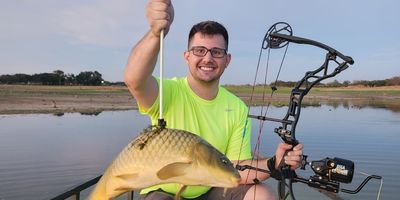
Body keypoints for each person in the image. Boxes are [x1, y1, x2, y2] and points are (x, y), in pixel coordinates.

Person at [124, 0, 304, 199]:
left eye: (217, 52)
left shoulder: (237, 108)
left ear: (227, 60)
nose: (208, 59)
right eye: (199, 50)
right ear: (187, 56)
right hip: (163, 191)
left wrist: (273, 163)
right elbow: (134, 80)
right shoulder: (168, 91)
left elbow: (237, 168)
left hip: (213, 189)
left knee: (261, 194)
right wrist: (155, 32)